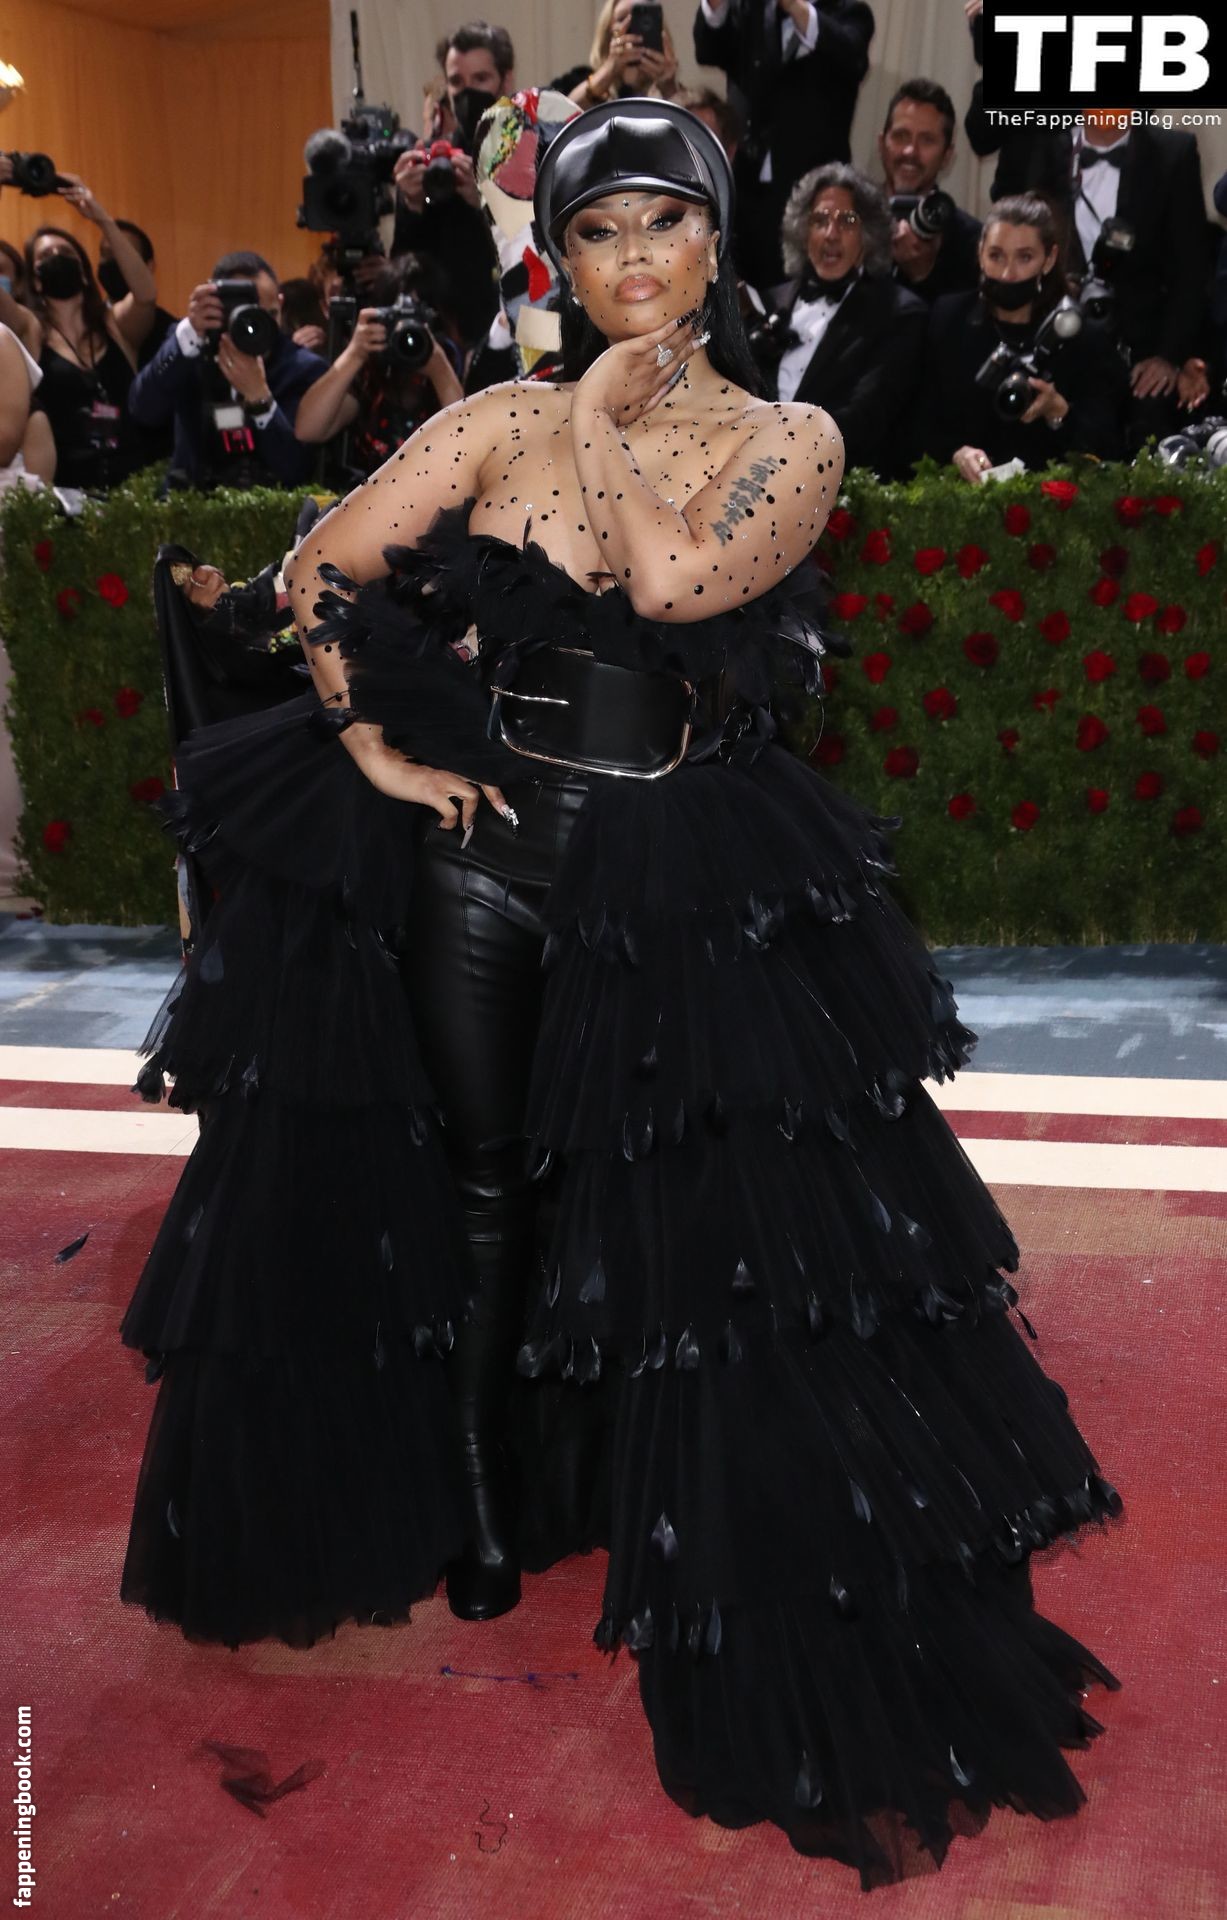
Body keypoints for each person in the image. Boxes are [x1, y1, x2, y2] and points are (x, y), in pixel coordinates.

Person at [119, 99, 1122, 1888]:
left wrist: (593, 415)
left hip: (675, 868)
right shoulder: (489, 421)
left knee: (694, 1218)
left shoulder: (789, 437)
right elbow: (317, 565)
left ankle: (672, 1507)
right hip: (484, 858)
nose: (632, 258)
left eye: (663, 223)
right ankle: (487, 1505)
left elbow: (668, 578)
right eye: (596, 231)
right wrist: (371, 742)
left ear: (715, 242)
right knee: (486, 1189)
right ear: (559, 256)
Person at [915, 195, 1131, 481]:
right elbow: (919, 420)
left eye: (1025, 257)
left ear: (1049, 259)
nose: (1008, 273)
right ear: (980, 253)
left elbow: (1108, 448)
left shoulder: (1082, 339)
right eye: (996, 256)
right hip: (959, 496)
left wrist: (1060, 413)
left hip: (1051, 499)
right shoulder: (948, 319)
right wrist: (956, 453)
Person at [692, 0, 875, 289]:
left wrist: (794, 7)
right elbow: (708, 49)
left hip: (810, 202)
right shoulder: (751, 11)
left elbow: (851, 55)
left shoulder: (850, 13)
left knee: (796, 294)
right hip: (745, 194)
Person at [767, 165, 926, 477]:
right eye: (820, 220)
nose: (831, 234)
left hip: (833, 482)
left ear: (869, 235)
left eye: (847, 221)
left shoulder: (899, 313)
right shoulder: (768, 302)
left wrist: (783, 454)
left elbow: (866, 417)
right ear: (803, 231)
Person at [127, 251, 327, 490]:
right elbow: (143, 410)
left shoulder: (302, 368)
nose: (256, 328)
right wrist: (189, 334)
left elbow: (294, 470)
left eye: (269, 314)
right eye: (245, 315)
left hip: (269, 508)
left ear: (281, 305)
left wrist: (260, 398)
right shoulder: (190, 347)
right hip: (189, 502)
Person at [18, 174, 159, 491]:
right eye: (45, 257)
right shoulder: (31, 331)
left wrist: (101, 218)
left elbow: (146, 294)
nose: (57, 258)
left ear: (83, 272)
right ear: (36, 281)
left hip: (132, 491)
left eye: (66, 253)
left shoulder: (115, 325)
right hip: (68, 495)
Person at [390, 21, 512, 347]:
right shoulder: (431, 163)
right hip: (442, 340)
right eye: (457, 82)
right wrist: (412, 206)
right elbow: (404, 269)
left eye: (481, 79)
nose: (468, 92)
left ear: (506, 81)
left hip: (509, 335)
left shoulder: (531, 156)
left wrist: (486, 204)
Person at [294, 257, 464, 480]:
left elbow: (467, 446)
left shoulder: (452, 360)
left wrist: (440, 371)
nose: (407, 329)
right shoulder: (372, 374)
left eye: (417, 317)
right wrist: (354, 354)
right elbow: (307, 430)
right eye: (398, 317)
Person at [878, 78, 981, 304]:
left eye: (926, 140)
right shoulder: (849, 215)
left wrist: (923, 275)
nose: (910, 151)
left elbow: (963, 322)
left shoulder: (971, 241)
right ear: (881, 143)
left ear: (947, 156)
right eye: (901, 136)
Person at [553, 0, 681, 109]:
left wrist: (668, 87)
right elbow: (560, 118)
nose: (632, 26)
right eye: (622, 19)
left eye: (641, 19)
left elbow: (687, 124)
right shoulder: (579, 80)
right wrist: (608, 71)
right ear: (608, 32)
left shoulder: (669, 88)